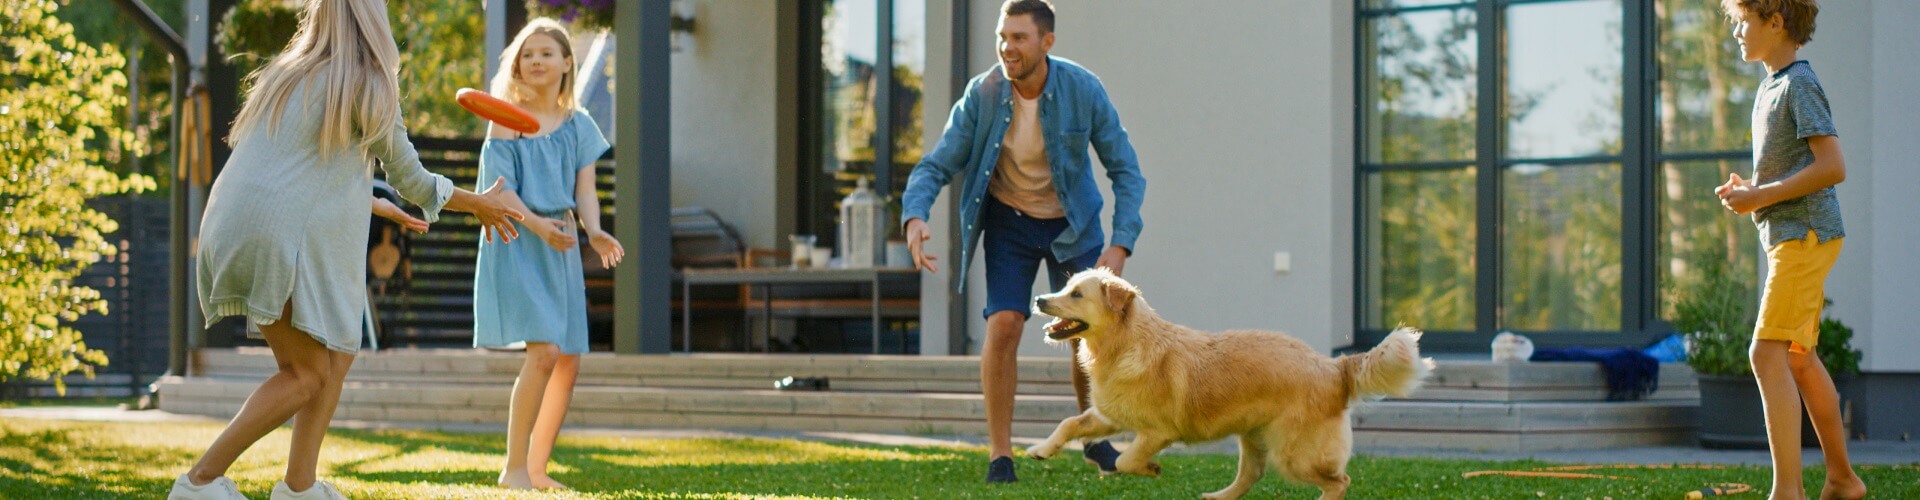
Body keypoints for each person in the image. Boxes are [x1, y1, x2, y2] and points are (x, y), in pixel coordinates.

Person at [171, 0, 523, 497]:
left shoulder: (286, 74)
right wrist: (479, 204)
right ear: (373, 20)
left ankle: (300, 486)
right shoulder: (369, 82)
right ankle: (198, 482)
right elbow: (413, 179)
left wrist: (376, 204)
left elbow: (301, 171)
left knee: (335, 354)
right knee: (305, 373)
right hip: (278, 235)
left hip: (231, 222)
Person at [898, 0, 1146, 484]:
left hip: (1073, 223)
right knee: (1006, 323)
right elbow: (936, 164)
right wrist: (914, 215)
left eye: (1019, 37)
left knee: (1088, 332)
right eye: (1002, 36)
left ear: (1046, 42)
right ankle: (1000, 455)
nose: (1007, 47)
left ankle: (1094, 438)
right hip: (1010, 220)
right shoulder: (983, 95)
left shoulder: (1083, 89)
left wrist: (1120, 244)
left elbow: (1127, 171)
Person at [1715, 1, 1865, 498]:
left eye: (1742, 21)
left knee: (1765, 354)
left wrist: (1761, 195)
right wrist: (1751, 188)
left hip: (1806, 234)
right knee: (1799, 358)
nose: (1735, 31)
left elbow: (1832, 166)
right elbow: (1791, 168)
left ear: (1775, 21)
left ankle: (1788, 492)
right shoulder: (1771, 86)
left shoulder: (1799, 82)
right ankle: (1842, 480)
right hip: (1794, 234)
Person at [469, 18, 621, 491]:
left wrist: (593, 230)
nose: (535, 60)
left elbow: (586, 190)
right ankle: (513, 468)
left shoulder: (579, 124)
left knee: (567, 360)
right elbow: (499, 191)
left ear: (566, 63)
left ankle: (536, 470)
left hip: (562, 243)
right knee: (544, 353)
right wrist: (537, 225)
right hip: (518, 239)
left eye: (546, 53)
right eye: (527, 53)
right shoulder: (505, 119)